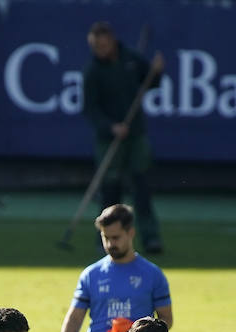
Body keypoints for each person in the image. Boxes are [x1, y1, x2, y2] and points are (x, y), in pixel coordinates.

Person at [53, 204, 173, 332]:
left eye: (115, 238)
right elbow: (74, 318)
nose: (110, 244)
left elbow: (166, 320)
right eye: (105, 237)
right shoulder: (92, 274)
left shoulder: (153, 275)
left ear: (131, 232)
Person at [82, 21, 165, 253]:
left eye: (103, 45)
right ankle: (106, 239)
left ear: (112, 41)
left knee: (141, 187)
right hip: (109, 140)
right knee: (110, 190)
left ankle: (150, 237)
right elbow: (90, 109)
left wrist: (157, 71)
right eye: (95, 46)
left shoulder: (131, 58)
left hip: (136, 134)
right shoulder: (93, 72)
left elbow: (150, 82)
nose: (100, 50)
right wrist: (111, 127)